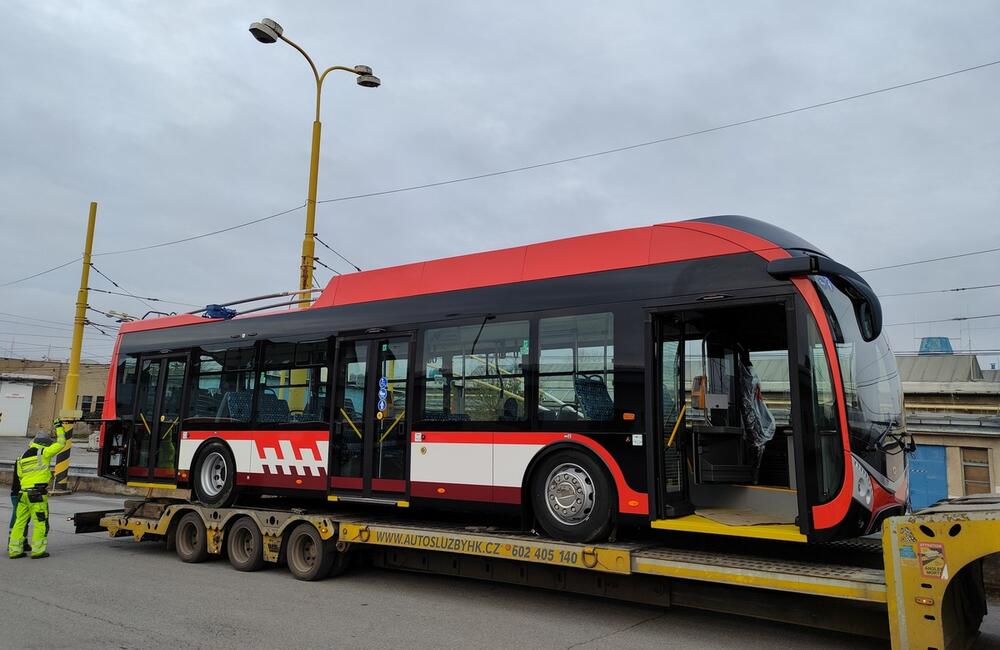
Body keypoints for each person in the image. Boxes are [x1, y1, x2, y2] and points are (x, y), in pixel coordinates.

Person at [8, 419, 67, 559]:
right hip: (37, 495)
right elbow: (61, 443)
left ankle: (15, 550)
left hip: (23, 494)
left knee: (19, 522)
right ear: (45, 444)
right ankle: (38, 550)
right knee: (40, 522)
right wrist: (59, 427)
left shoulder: (21, 457)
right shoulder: (44, 453)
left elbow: (20, 476)